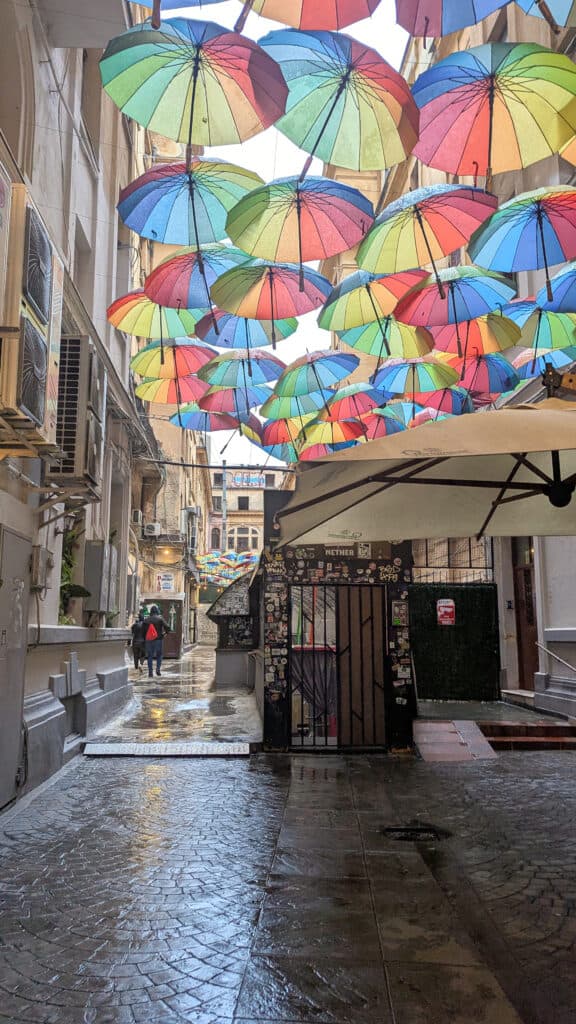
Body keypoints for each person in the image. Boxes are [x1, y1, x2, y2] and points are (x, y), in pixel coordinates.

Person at [144, 604, 171, 678]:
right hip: (158, 640)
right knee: (159, 655)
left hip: (149, 641)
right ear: (157, 611)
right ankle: (158, 669)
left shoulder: (146, 620)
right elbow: (168, 628)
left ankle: (150, 672)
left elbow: (143, 631)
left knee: (150, 656)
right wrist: (164, 634)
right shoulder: (160, 619)